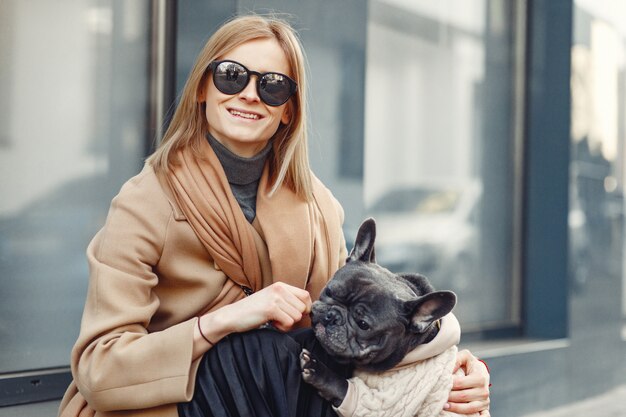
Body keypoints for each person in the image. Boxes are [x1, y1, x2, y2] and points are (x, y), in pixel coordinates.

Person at [58, 14, 490, 417]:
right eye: (231, 76)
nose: (249, 93)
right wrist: (222, 322)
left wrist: (447, 367)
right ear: (202, 88)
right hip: (166, 404)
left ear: (288, 110)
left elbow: (354, 331)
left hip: (281, 396)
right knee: (259, 351)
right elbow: (100, 369)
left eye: (273, 86)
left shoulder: (317, 206)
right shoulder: (144, 203)